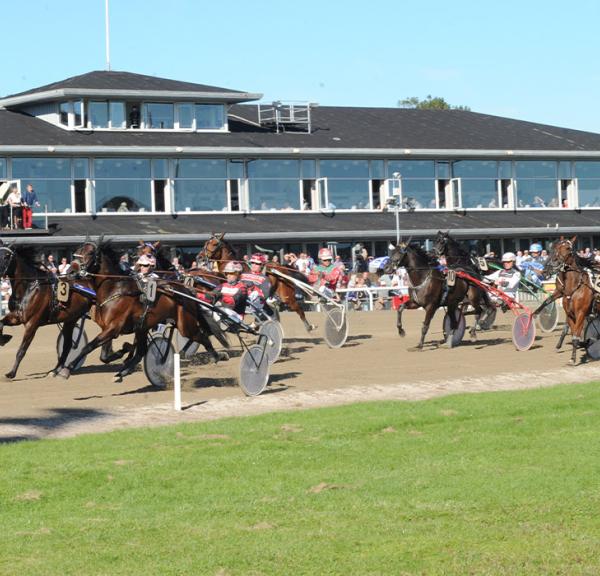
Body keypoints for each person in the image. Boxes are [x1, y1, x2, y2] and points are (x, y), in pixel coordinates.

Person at [241, 253, 274, 320]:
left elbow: (265, 294)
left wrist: (253, 289)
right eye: (252, 262)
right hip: (240, 299)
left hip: (254, 303)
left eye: (257, 263)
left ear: (262, 265)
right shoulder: (243, 275)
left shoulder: (264, 278)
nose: (254, 265)